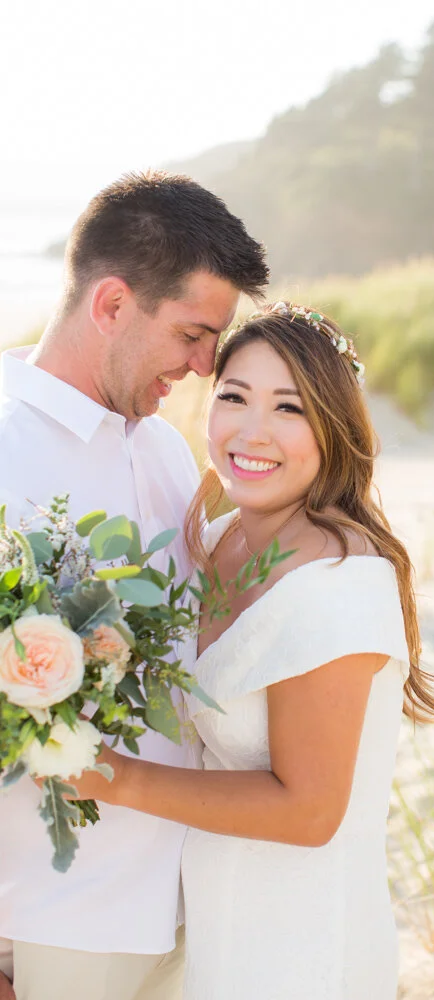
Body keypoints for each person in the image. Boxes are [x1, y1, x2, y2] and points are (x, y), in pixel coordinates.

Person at [66, 301, 434, 999]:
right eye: (234, 397)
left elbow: (309, 811)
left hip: (301, 945)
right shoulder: (218, 541)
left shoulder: (338, 583)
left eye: (289, 409)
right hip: (215, 925)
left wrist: (115, 780)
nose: (252, 431)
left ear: (334, 427)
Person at [0, 169, 269, 1000]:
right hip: (54, 913)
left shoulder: (161, 448)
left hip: (185, 903)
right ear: (112, 304)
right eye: (193, 334)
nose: (200, 368)